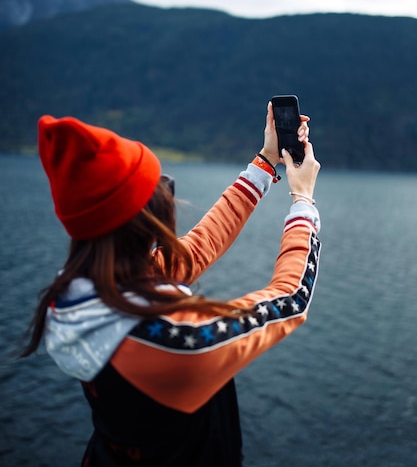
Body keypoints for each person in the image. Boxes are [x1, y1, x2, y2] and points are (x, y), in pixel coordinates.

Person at [21, 101, 321, 467]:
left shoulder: (79, 295)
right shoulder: (177, 341)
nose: (168, 189)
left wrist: (265, 160)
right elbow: (291, 300)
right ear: (140, 218)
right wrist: (303, 200)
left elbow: (197, 249)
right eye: (158, 185)